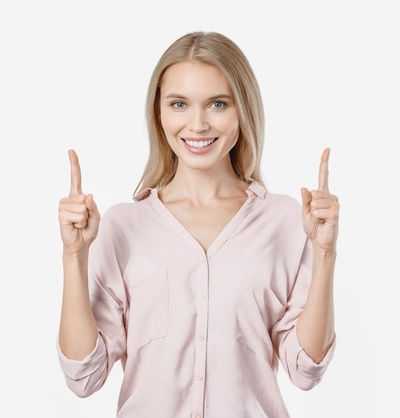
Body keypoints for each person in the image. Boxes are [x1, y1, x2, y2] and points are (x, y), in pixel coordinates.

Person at [57, 31, 339, 418]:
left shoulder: (287, 222)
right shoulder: (122, 226)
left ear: (243, 110)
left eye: (217, 104)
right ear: (159, 112)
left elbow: (305, 370)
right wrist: (74, 256)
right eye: (179, 104)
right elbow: (83, 377)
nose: (198, 124)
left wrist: (324, 254)